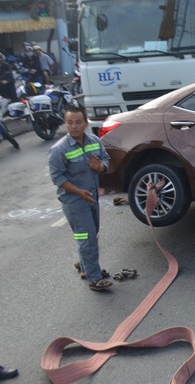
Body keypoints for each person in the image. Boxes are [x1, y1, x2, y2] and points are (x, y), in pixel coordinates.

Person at [48, 106, 113, 292]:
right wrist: (79, 192)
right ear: (65, 123)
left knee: (92, 234)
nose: (74, 126)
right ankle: (95, 277)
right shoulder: (59, 150)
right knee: (87, 238)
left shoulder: (94, 141)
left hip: (91, 199)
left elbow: (106, 159)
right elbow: (58, 178)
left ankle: (85, 268)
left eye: (78, 122)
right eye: (70, 122)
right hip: (75, 203)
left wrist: (100, 167)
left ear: (86, 123)